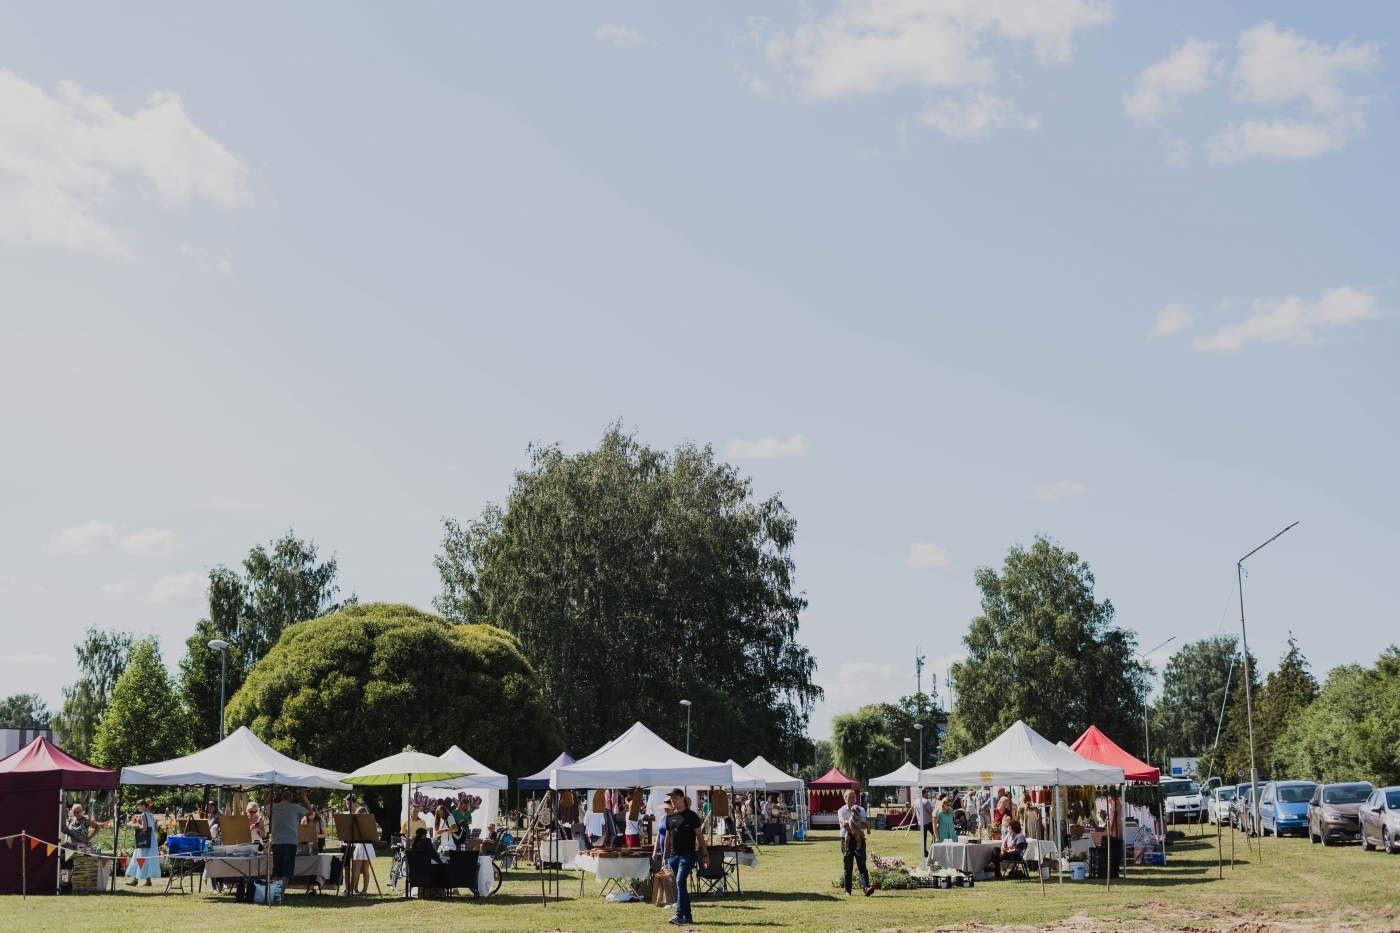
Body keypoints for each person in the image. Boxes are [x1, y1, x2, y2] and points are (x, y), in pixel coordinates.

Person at [662, 788, 708, 926]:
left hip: (687, 855)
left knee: (680, 882)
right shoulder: (669, 817)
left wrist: (705, 855)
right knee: (680, 885)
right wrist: (665, 857)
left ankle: (679, 915)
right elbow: (667, 838)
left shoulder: (692, 816)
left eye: (675, 797)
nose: (673, 800)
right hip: (674, 856)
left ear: (683, 799)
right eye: (672, 798)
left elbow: (699, 836)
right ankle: (687, 917)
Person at [265, 787, 312, 884]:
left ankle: (275, 894)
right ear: (291, 799)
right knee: (287, 870)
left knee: (277, 869)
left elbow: (265, 804)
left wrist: (272, 792)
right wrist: (304, 795)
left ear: (281, 797)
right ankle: (281, 894)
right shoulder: (295, 807)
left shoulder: (273, 807)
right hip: (290, 841)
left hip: (276, 841)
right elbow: (310, 812)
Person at [838, 789, 874, 897]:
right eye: (849, 797)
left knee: (862, 864)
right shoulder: (841, 811)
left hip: (860, 840)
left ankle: (866, 888)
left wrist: (853, 827)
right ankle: (847, 890)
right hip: (847, 840)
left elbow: (864, 824)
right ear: (845, 799)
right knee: (848, 866)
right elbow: (844, 826)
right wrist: (857, 831)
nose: (852, 799)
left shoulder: (861, 809)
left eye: (853, 797)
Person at [125, 799, 161, 886]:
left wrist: (138, 823)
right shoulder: (150, 814)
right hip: (151, 839)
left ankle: (135, 881)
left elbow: (144, 829)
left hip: (145, 839)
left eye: (139, 805)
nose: (138, 807)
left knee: (140, 858)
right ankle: (147, 881)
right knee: (145, 859)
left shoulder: (143, 815)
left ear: (144, 805)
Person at [348, 806, 375, 894]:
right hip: (368, 845)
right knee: (365, 869)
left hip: (362, 845)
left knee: (356, 868)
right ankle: (364, 890)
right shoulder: (369, 822)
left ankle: (351, 889)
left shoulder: (359, 823)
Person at [915, 789, 935, 858]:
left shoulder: (916, 801)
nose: (927, 794)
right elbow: (930, 812)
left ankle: (924, 852)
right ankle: (936, 848)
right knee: (935, 834)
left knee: (923, 839)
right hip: (928, 822)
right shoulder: (926, 801)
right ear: (923, 794)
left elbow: (914, 811)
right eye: (926, 793)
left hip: (920, 822)